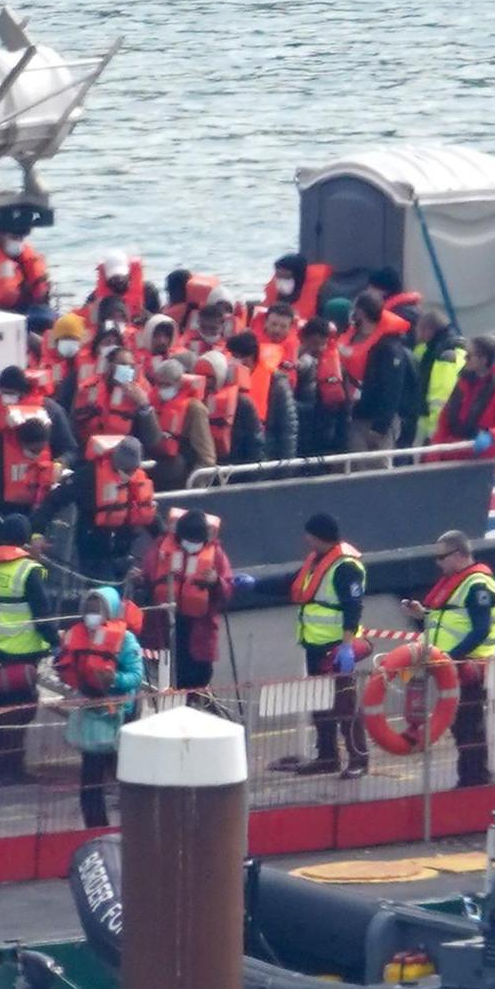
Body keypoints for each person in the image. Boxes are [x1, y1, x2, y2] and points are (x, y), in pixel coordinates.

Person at [250, 515, 369, 778]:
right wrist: (254, 585)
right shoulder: (316, 561)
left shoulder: (345, 567)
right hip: (315, 644)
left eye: (309, 535)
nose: (306, 539)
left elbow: (353, 607)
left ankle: (359, 759)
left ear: (318, 536)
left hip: (337, 647)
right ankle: (327, 756)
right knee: (321, 702)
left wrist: (348, 645)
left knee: (345, 704)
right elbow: (289, 583)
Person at [400, 530, 495, 788]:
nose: (438, 563)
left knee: (469, 724)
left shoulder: (478, 585)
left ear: (458, 554)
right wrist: (422, 614)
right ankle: (470, 777)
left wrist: (451, 656)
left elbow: (480, 629)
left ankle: (475, 779)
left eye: (441, 557)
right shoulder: (458, 583)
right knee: (460, 724)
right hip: (450, 666)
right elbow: (449, 620)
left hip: (468, 666)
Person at [0, 514, 51, 784]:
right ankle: (13, 769)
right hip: (22, 650)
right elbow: (43, 614)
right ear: (26, 539)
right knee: (22, 712)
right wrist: (57, 643)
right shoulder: (28, 570)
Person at [57, 586, 145, 828]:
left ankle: (136, 825)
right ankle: (95, 828)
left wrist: (114, 680)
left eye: (97, 609)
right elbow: (65, 663)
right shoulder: (76, 636)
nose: (91, 614)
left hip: (118, 713)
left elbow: (136, 676)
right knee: (91, 779)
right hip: (90, 710)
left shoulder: (126, 640)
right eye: (89, 609)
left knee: (125, 775)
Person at [134, 508, 232, 704]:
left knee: (199, 672)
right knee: (167, 671)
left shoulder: (216, 556)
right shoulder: (162, 548)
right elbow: (148, 576)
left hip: (199, 627)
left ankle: (195, 702)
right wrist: (140, 581)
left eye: (197, 541)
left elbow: (227, 590)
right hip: (165, 625)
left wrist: (215, 582)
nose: (193, 544)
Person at [38, 434, 156, 587]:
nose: (129, 475)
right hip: (93, 550)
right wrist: (37, 532)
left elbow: (147, 509)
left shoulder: (136, 478)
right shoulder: (88, 476)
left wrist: (167, 535)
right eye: (126, 470)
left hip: (123, 551)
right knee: (104, 594)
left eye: (133, 470)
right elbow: (54, 501)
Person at [339, 290, 415, 460]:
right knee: (355, 466)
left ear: (361, 313)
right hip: (356, 414)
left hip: (376, 420)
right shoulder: (351, 336)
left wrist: (380, 427)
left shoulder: (389, 347)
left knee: (377, 467)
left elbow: (392, 390)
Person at [429, 335, 495, 461]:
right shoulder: (463, 383)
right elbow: (444, 421)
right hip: (450, 459)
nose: (464, 358)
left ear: (483, 359)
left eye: (468, 356)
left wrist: (492, 435)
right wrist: (433, 456)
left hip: (481, 461)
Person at [0, 409, 68, 520]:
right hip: (3, 513)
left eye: (41, 450)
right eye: (33, 451)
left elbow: (71, 451)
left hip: (38, 512)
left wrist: (61, 463)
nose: (37, 455)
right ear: (21, 443)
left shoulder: (50, 444)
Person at [226, 330, 296, 463]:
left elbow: (288, 427)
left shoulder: (277, 383)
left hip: (266, 454)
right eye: (233, 356)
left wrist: (287, 466)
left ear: (252, 356)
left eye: (240, 356)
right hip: (235, 453)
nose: (235, 361)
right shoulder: (228, 378)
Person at [144, 359, 213, 492]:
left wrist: (193, 488)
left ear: (179, 383)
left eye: (167, 384)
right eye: (160, 384)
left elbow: (207, 457)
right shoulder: (152, 403)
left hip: (181, 475)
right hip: (157, 469)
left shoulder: (195, 409)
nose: (162, 389)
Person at [71, 344, 151, 446]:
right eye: (123, 365)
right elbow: (73, 426)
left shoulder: (139, 393)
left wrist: (144, 405)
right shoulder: (87, 389)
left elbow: (151, 440)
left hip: (124, 454)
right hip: (90, 452)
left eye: (131, 366)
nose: (127, 369)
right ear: (109, 365)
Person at [291, 316, 348, 458]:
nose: (318, 347)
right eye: (314, 342)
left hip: (323, 419)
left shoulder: (334, 361)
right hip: (305, 416)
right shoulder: (301, 359)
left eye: (322, 342)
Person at [409, 307, 465, 447]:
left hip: (435, 426)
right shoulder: (442, 348)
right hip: (439, 423)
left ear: (429, 330)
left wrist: (436, 432)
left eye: (419, 329)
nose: (417, 333)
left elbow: (441, 395)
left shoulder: (444, 354)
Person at [268, 253, 331, 321]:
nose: (281, 281)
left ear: (297, 276)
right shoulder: (275, 291)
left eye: (286, 278)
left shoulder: (322, 292)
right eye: (279, 277)